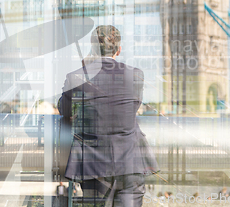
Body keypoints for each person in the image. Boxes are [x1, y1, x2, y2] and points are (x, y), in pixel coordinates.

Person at [58, 25, 159, 207]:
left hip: (93, 166)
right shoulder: (135, 75)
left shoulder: (77, 77)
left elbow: (64, 110)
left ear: (92, 49)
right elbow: (132, 108)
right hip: (131, 163)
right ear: (118, 50)